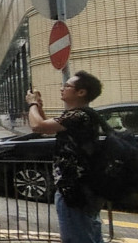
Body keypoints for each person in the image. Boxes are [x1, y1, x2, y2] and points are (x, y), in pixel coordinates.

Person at [25, 70, 104, 243]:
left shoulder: (78, 115)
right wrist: (39, 106)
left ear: (81, 92)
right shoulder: (79, 115)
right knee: (90, 235)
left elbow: (38, 126)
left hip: (74, 190)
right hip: (84, 189)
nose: (62, 88)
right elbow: (49, 128)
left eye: (67, 86)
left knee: (77, 238)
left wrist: (31, 104)